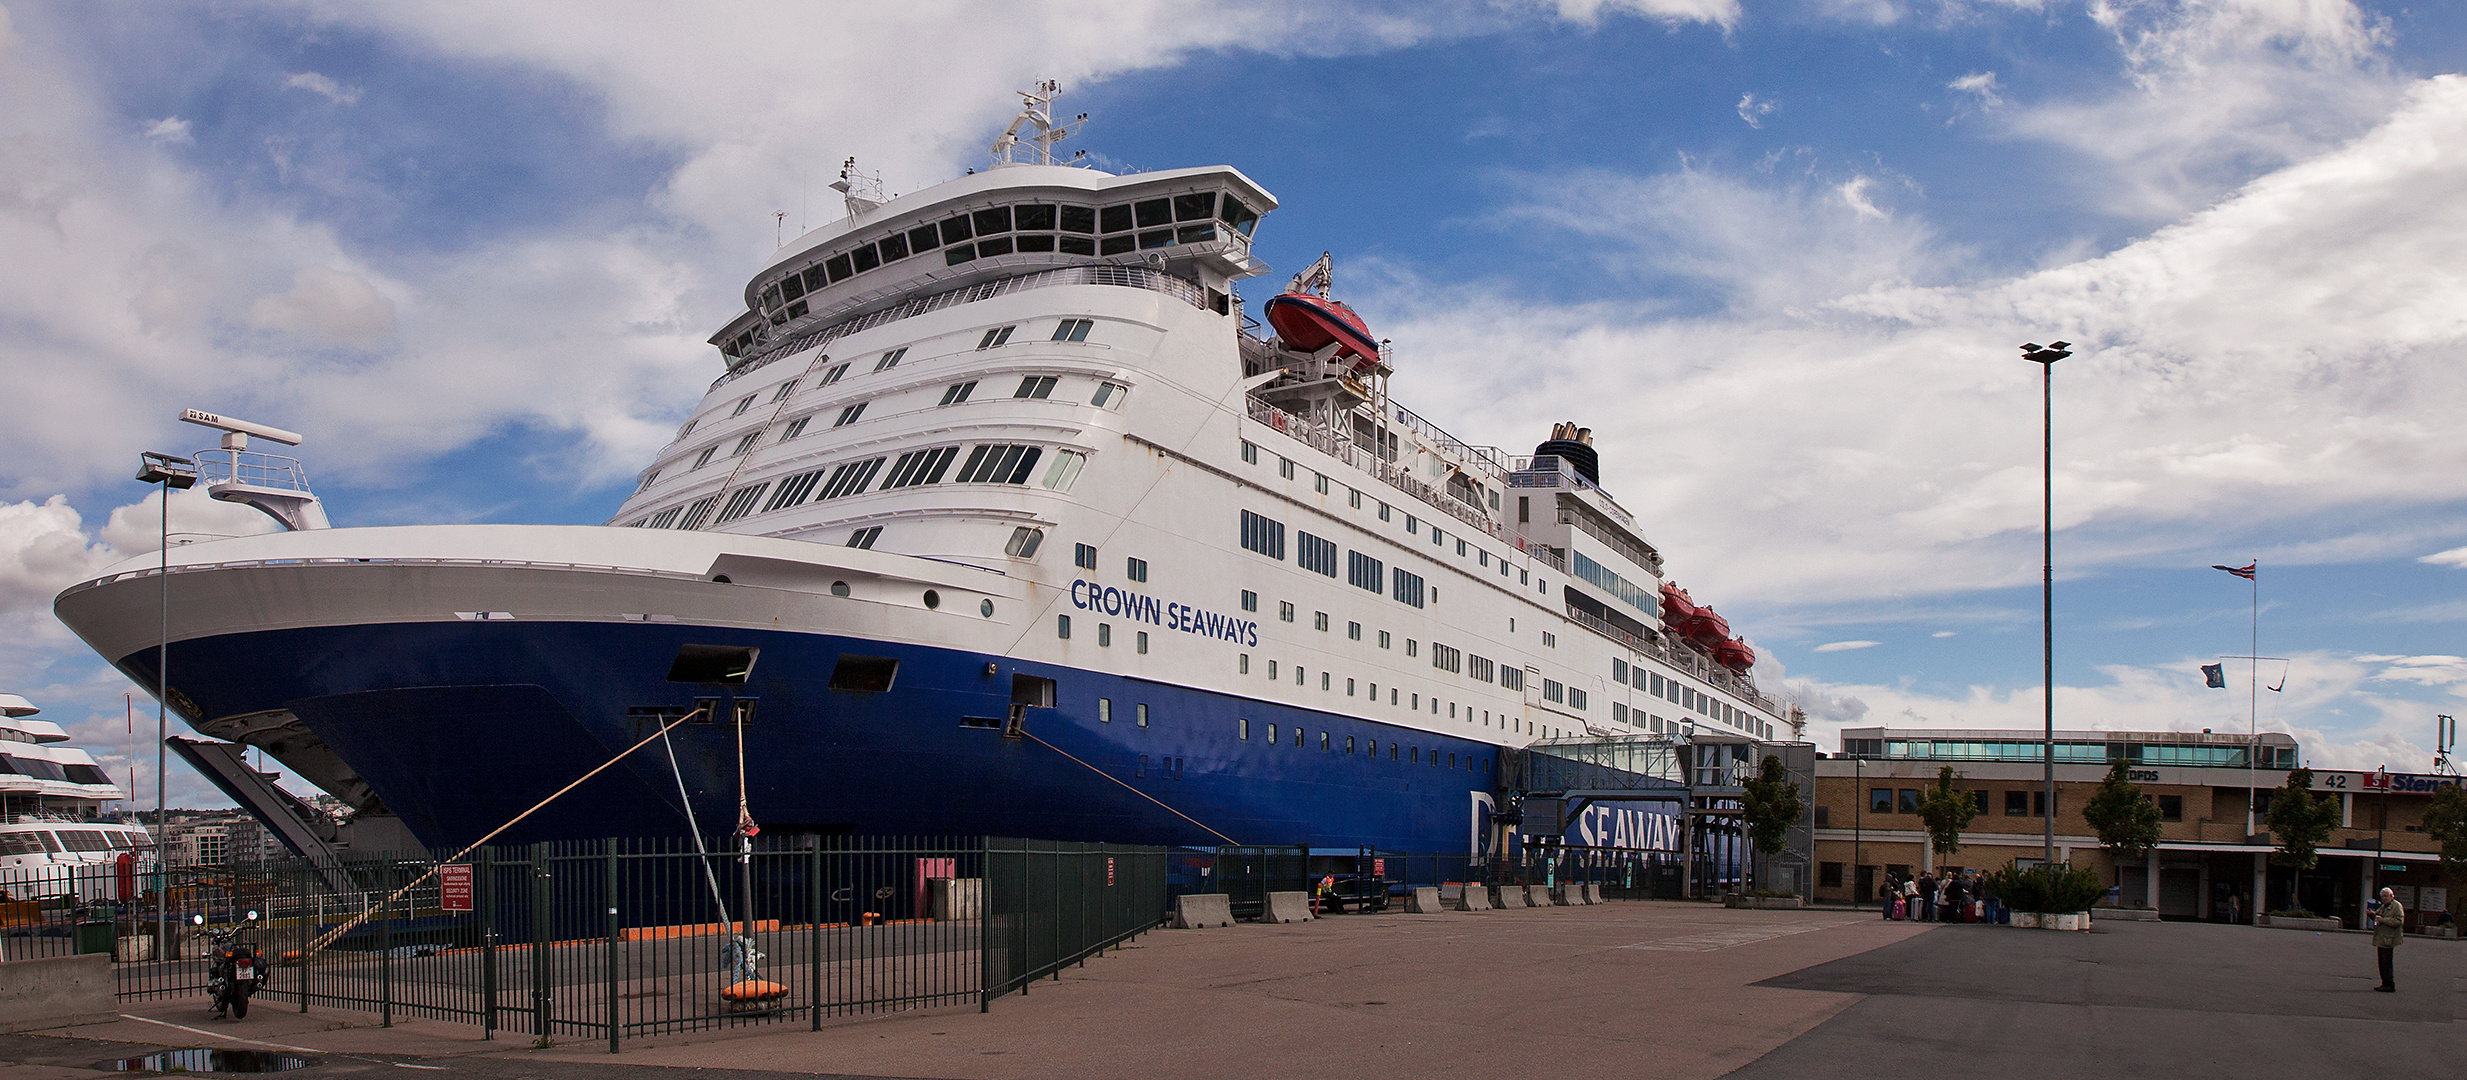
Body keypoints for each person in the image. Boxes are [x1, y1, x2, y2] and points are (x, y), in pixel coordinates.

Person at [2372, 887, 2405, 992]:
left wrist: (2384, 920)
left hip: (2389, 939)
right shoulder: (2384, 907)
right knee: (2381, 962)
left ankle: (2390, 984)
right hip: (2382, 938)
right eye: (2382, 897)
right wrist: (2371, 915)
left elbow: (2399, 921)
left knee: (2386, 963)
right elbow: (2377, 916)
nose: (2384, 899)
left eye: (2386, 896)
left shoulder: (2396, 906)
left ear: (2392, 896)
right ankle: (2384, 983)